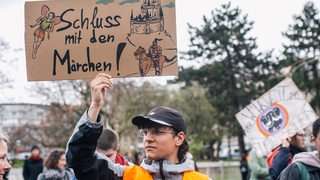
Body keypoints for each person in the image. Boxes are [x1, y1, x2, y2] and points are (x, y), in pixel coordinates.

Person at [66, 73, 210, 179]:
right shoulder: (127, 175)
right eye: (146, 132)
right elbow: (80, 161)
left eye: (158, 132)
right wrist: (95, 106)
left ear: (179, 138)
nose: (148, 138)